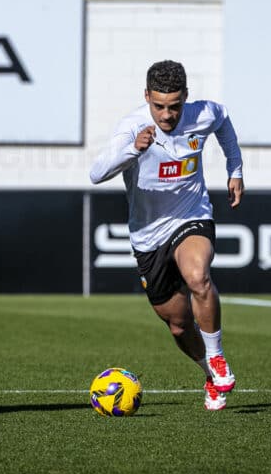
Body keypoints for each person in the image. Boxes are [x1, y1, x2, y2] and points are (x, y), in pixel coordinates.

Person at [89, 60, 244, 410]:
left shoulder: (203, 113)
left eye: (174, 106)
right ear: (146, 96)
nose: (167, 114)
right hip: (147, 236)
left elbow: (223, 121)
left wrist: (236, 170)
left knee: (198, 277)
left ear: (186, 97)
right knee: (177, 325)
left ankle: (217, 357)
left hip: (191, 216)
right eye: (158, 106)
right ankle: (209, 372)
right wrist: (133, 150)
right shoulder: (132, 127)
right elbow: (96, 173)